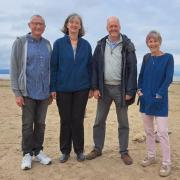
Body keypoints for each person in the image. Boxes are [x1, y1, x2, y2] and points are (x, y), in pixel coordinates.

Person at [86, 16, 137, 165]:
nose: (113, 28)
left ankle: (124, 151)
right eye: (110, 26)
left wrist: (130, 90)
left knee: (123, 122)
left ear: (119, 27)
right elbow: (94, 67)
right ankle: (97, 148)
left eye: (115, 26)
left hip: (121, 89)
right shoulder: (101, 44)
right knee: (99, 120)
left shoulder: (127, 45)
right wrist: (95, 87)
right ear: (107, 28)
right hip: (104, 88)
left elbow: (132, 68)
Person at [10, 15, 52, 170]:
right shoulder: (20, 42)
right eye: (35, 24)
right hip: (27, 92)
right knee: (27, 124)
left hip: (44, 93)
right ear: (29, 25)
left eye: (41, 24)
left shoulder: (47, 44)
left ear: (44, 27)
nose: (38, 26)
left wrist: (51, 89)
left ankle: (38, 151)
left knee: (40, 124)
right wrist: (17, 93)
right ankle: (27, 154)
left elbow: (50, 69)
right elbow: (14, 68)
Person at [50, 13, 93, 163]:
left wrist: (91, 87)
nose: (74, 25)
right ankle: (65, 151)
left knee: (77, 119)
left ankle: (79, 151)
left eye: (77, 23)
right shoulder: (58, 44)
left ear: (80, 26)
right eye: (71, 22)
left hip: (82, 88)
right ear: (67, 25)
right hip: (63, 88)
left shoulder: (86, 45)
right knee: (65, 120)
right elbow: (53, 67)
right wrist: (53, 87)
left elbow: (90, 67)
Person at [137, 30, 174, 177]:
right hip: (145, 100)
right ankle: (151, 156)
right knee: (148, 131)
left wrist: (159, 94)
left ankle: (166, 163)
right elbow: (141, 76)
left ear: (160, 42)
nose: (152, 44)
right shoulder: (146, 58)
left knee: (163, 133)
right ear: (147, 43)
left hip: (160, 101)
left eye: (155, 41)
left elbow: (168, 78)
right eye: (150, 41)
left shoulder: (168, 58)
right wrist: (139, 90)